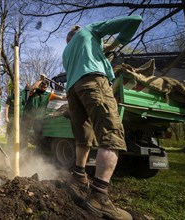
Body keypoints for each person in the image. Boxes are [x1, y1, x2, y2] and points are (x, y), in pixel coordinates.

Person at [62, 15, 142, 220]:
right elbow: (134, 19)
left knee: (84, 135)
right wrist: (114, 45)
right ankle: (99, 196)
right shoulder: (89, 30)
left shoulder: (67, 51)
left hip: (73, 90)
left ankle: (79, 175)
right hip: (93, 82)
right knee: (111, 132)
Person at [21, 79, 66, 148]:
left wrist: (71, 97)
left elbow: (61, 97)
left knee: (39, 135)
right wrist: (41, 80)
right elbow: (33, 88)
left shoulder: (49, 95)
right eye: (41, 86)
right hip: (28, 116)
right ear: (39, 86)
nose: (42, 88)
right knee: (24, 134)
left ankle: (39, 151)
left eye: (44, 87)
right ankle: (22, 150)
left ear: (47, 87)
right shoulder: (33, 92)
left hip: (38, 118)